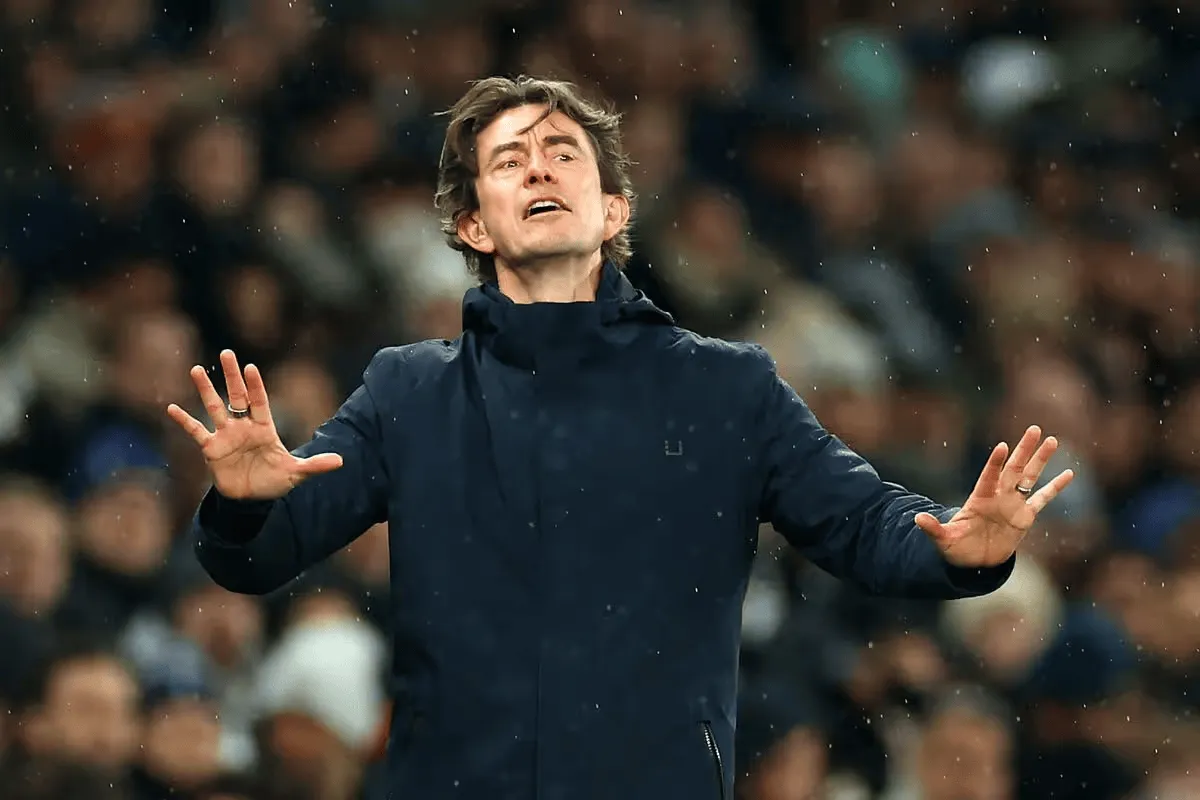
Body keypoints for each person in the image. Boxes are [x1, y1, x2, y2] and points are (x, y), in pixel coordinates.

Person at [168, 76, 1074, 800]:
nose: (540, 172)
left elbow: (865, 523)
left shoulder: (726, 390)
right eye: (510, 161)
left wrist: (957, 549)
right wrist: (242, 505)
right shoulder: (408, 391)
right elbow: (259, 554)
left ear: (613, 211)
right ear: (473, 224)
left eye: (563, 155)